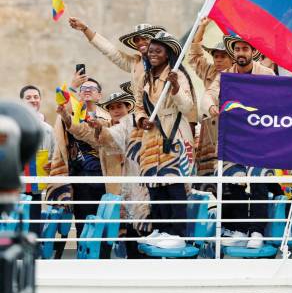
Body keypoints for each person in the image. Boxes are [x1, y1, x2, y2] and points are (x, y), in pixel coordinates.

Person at [59, 88, 156, 255]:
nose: (116, 110)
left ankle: (141, 271)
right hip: (116, 192)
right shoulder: (105, 126)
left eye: (120, 106)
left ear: (128, 108)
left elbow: (109, 136)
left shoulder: (136, 125)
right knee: (117, 236)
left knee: (139, 234)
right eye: (112, 107)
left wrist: (98, 128)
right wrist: (67, 119)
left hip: (138, 189)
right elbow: (86, 132)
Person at [204, 35, 278, 247]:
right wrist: (211, 108)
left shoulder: (267, 74)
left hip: (259, 138)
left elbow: (279, 101)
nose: (241, 53)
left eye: (245, 48)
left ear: (253, 52)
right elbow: (209, 94)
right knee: (232, 182)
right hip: (233, 138)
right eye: (237, 49)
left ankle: (256, 232)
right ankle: (238, 229)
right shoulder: (225, 76)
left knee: (259, 183)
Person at [131, 32, 197, 243]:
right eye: (151, 51)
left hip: (173, 134)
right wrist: (142, 121)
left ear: (168, 54)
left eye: (158, 51)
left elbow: (187, 106)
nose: (153, 55)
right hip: (151, 137)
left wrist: (176, 87)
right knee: (155, 186)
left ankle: (177, 233)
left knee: (173, 185)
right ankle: (160, 229)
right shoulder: (145, 77)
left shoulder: (178, 74)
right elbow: (138, 106)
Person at [45, 72, 112, 257]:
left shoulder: (107, 116)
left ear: (99, 95)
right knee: (82, 222)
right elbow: (62, 112)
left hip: (104, 177)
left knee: (105, 222)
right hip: (79, 178)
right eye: (84, 89)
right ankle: (85, 258)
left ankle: (104, 258)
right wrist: (72, 88)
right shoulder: (72, 112)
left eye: (92, 88)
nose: (87, 91)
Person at [67, 19, 165, 105]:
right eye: (137, 40)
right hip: (143, 118)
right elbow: (109, 50)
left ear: (154, 40)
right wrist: (84, 28)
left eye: (145, 38)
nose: (140, 42)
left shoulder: (168, 61)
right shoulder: (134, 63)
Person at [187, 18, 233, 177]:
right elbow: (194, 56)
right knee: (208, 173)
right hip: (211, 126)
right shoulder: (210, 71)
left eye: (223, 56)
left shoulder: (239, 73)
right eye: (216, 56)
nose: (218, 60)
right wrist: (202, 27)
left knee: (231, 172)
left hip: (232, 125)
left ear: (232, 58)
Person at [18, 85, 55, 230]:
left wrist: (53, 163)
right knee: (15, 227)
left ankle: (33, 252)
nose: (33, 100)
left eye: (36, 97)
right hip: (15, 187)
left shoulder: (48, 130)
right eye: (28, 98)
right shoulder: (11, 126)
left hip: (36, 188)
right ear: (21, 101)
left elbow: (54, 155)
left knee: (33, 227)